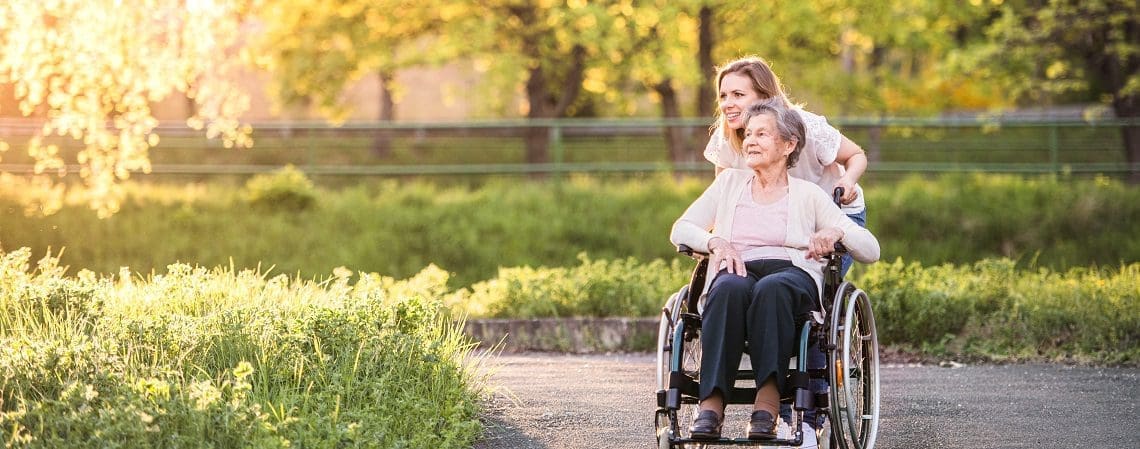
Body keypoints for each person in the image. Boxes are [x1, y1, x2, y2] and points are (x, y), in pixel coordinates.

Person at [670, 98, 880, 441]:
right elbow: (681, 228)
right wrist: (715, 243)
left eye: (762, 134)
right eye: (748, 134)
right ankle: (711, 405)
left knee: (773, 289)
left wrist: (837, 231)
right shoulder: (729, 184)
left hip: (791, 274)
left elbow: (871, 248)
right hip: (738, 267)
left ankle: (766, 405)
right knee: (726, 289)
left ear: (788, 145)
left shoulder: (809, 194)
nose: (750, 140)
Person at [705, 56, 868, 276]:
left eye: (738, 95)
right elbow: (723, 199)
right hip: (779, 218)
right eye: (723, 96)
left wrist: (847, 181)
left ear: (764, 97)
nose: (727, 104)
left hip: (831, 214)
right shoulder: (725, 137)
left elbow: (856, 155)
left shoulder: (806, 126)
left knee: (812, 285)